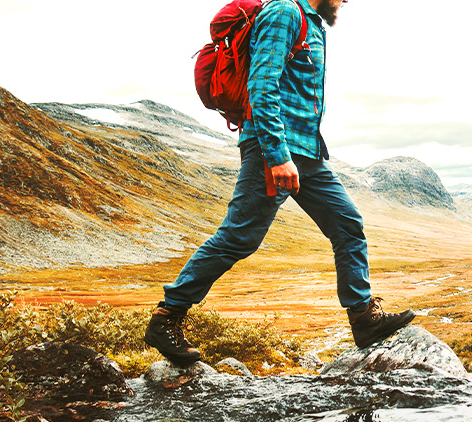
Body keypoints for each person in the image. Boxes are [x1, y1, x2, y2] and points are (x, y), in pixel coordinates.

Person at [145, 0, 415, 367]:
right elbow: (261, 86)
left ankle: (363, 318)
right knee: (239, 237)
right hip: (274, 149)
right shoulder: (284, 13)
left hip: (307, 153)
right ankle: (167, 316)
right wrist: (277, 155)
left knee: (347, 224)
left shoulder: (313, 24)